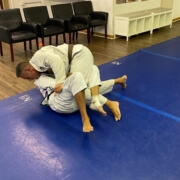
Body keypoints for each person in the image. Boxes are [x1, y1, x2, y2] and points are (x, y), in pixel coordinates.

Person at [16, 44, 107, 116]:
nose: (29, 80)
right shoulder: (39, 70)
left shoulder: (38, 58)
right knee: (87, 77)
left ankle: (107, 103)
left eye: (27, 77)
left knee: (78, 87)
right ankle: (116, 81)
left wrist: (60, 82)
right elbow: (57, 70)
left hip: (79, 55)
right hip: (72, 62)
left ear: (29, 69)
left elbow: (56, 60)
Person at [34, 71, 127, 132]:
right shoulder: (41, 80)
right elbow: (56, 87)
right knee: (78, 82)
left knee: (87, 87)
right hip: (60, 102)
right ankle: (109, 104)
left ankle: (118, 81)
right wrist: (62, 84)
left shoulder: (57, 68)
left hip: (68, 98)